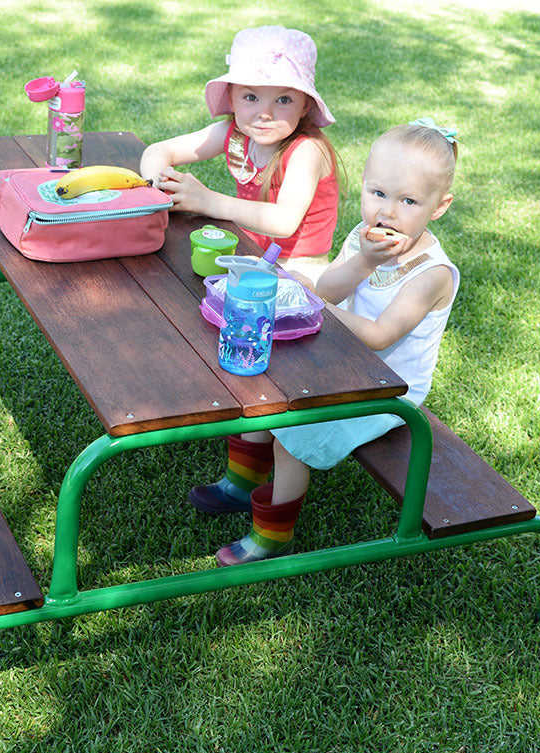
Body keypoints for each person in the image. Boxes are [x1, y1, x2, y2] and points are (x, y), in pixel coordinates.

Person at [190, 118, 461, 566]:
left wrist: (313, 300)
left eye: (408, 201)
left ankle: (273, 534)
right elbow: (334, 288)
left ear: (440, 205)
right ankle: (241, 483)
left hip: (392, 388)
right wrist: (358, 265)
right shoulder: (364, 236)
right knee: (264, 397)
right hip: (349, 359)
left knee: (292, 432)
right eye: (377, 193)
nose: (387, 212)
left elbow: (378, 336)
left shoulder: (431, 273)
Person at [139, 25, 340, 284]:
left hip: (298, 269)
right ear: (231, 99)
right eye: (251, 97)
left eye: (284, 100)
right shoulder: (234, 133)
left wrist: (208, 200)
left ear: (305, 105)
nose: (264, 113)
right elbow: (159, 150)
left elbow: (285, 220)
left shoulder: (307, 150)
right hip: (247, 252)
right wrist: (161, 183)